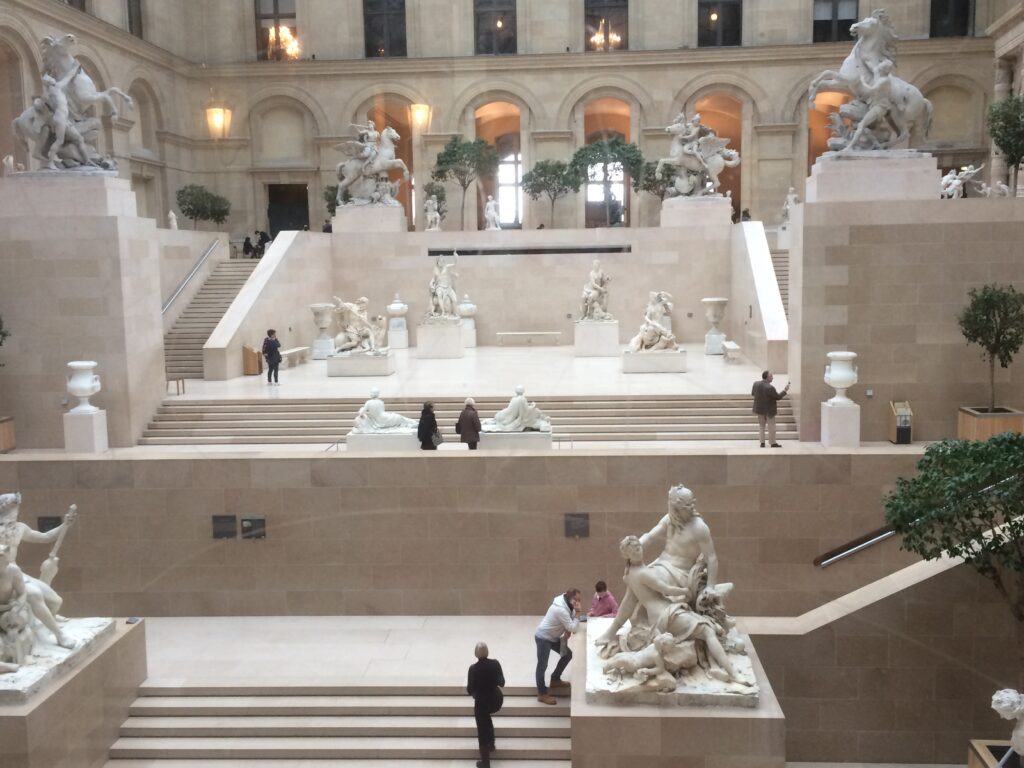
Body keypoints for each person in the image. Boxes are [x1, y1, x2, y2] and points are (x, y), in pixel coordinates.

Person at [534, 588, 581, 705]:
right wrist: (578, 614)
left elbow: (571, 623)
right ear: (570, 599)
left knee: (567, 655)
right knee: (542, 665)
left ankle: (555, 679)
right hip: (543, 638)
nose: (578, 603)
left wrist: (568, 629)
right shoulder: (561, 609)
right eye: (576, 600)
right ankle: (542, 694)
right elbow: (573, 627)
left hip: (553, 637)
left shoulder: (567, 604)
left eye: (579, 600)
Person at [467, 641, 505, 768]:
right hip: (496, 700)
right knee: (486, 718)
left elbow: (470, 689)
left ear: (475, 654)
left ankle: (485, 762)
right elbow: (502, 682)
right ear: (487, 652)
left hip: (482, 703)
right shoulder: (495, 664)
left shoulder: (473, 669)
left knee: (482, 727)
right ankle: (491, 744)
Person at [751, 370, 789, 448]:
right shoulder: (770, 388)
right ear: (767, 378)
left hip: (759, 410)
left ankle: (762, 443)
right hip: (769, 411)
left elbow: (753, 394)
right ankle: (772, 443)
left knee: (761, 426)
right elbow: (778, 397)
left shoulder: (755, 384)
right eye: (771, 376)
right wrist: (785, 390)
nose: (772, 378)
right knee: (771, 427)